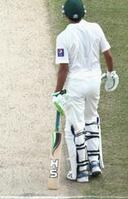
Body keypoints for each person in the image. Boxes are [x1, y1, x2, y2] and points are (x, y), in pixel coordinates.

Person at [52, 0, 119, 182]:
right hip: (94, 83)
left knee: (75, 127)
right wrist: (111, 73)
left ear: (65, 15)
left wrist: (57, 93)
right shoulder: (96, 28)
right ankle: (95, 162)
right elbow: (108, 54)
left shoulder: (63, 37)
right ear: (85, 11)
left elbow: (64, 69)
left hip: (76, 85)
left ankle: (80, 172)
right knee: (91, 120)